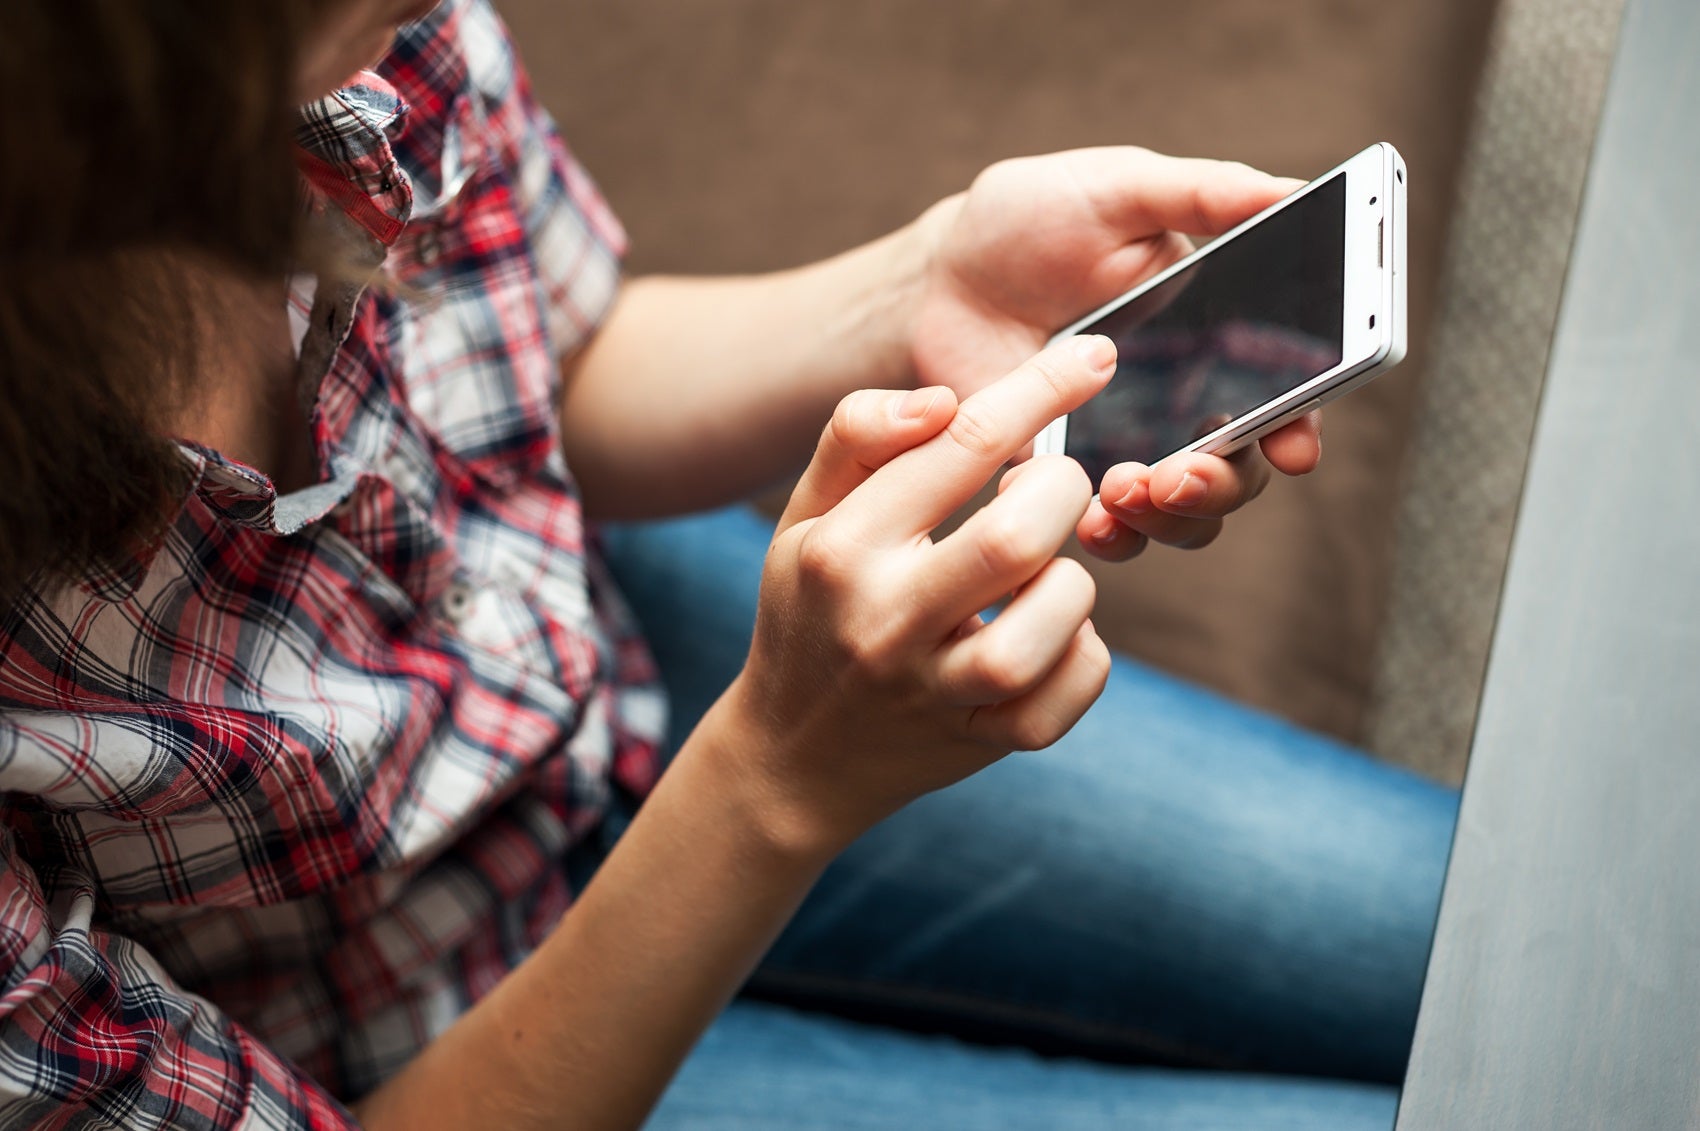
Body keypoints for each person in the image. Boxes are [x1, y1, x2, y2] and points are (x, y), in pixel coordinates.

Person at [0, 0, 1458, 1127]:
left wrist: (921, 282)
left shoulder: (361, 47)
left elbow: (553, 362)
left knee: (1495, 946)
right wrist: (773, 781)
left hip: (605, 654)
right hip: (444, 1059)